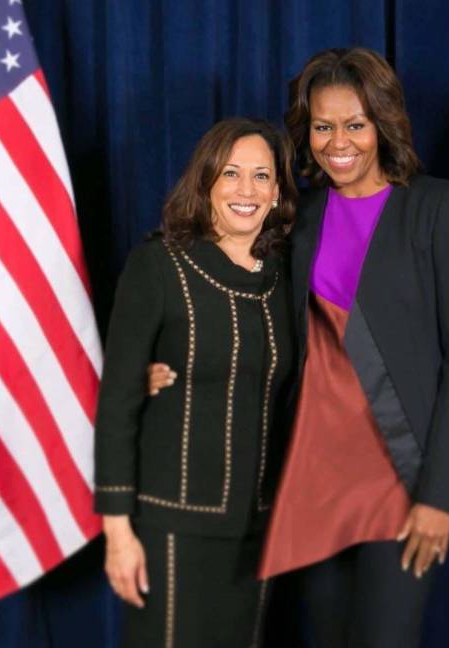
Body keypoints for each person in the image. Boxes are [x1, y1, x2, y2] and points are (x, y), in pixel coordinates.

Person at [149, 47, 449, 647]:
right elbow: (237, 306)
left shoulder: (438, 206)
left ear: (383, 123)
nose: (338, 143)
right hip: (316, 476)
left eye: (355, 124)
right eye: (323, 126)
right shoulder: (296, 216)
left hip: (404, 481)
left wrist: (441, 495)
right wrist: (166, 360)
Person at [94, 118, 297, 648]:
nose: (246, 189)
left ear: (278, 192)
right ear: (205, 181)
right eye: (231, 173)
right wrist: (118, 533)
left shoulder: (285, 276)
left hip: (260, 527)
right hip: (170, 525)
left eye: (261, 176)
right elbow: (116, 404)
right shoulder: (158, 266)